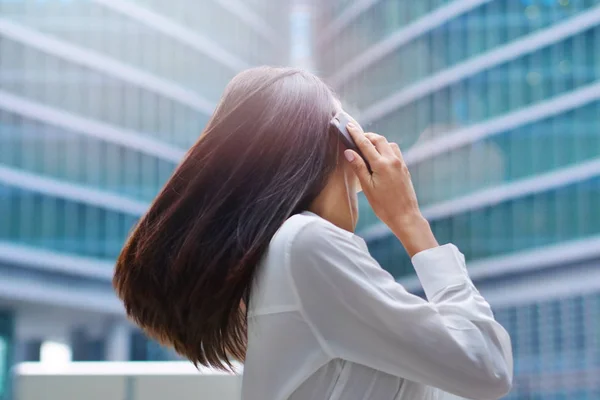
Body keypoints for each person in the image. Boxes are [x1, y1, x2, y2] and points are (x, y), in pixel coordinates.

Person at [113, 66, 513, 400]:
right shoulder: (304, 246)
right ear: (336, 149)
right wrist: (411, 222)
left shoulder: (284, 257)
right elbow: (486, 367)